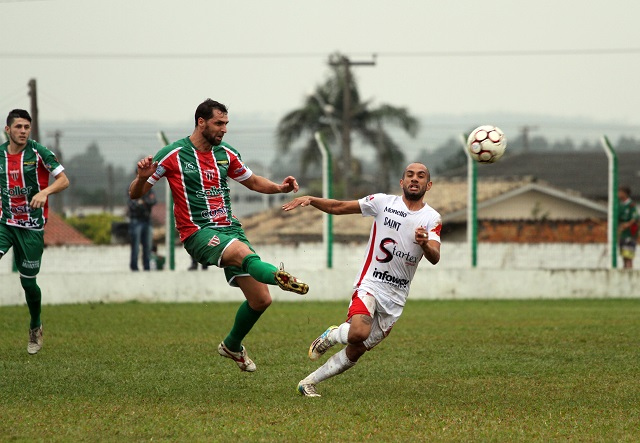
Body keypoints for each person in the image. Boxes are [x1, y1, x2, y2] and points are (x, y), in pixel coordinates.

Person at [129, 99, 309, 372]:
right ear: (201, 122)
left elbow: (252, 180)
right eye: (218, 123)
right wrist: (142, 178)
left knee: (261, 300)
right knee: (240, 253)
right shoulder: (173, 154)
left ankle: (231, 345)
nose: (224, 129)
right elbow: (135, 193)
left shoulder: (226, 154)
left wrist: (280, 188)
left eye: (226, 124)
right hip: (197, 232)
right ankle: (278, 276)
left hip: (230, 230)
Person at [282, 162, 441, 397]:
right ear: (401, 182)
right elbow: (339, 206)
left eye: (420, 176)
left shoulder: (432, 218)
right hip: (371, 284)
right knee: (357, 333)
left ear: (428, 185)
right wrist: (313, 200)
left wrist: (425, 243)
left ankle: (308, 382)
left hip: (396, 297)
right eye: (409, 175)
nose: (414, 179)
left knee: (356, 350)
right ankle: (333, 334)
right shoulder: (383, 202)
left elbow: (435, 256)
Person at [0, 109, 70, 354]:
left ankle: (35, 325)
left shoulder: (38, 152)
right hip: (4, 223)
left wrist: (44, 192)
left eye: (26, 127)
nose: (23, 131)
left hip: (31, 227)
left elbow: (63, 180)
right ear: (7, 130)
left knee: (28, 283)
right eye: (18, 127)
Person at [127, 186, 156, 271]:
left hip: (147, 220)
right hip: (136, 221)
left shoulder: (149, 189)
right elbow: (132, 204)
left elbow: (153, 201)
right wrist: (145, 203)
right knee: (135, 246)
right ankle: (134, 267)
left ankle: (147, 266)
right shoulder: (132, 188)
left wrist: (142, 202)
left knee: (148, 246)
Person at [617, 185, 639, 269]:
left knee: (629, 255)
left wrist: (627, 224)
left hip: (629, 234)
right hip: (622, 234)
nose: (618, 194)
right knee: (623, 255)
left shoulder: (631, 205)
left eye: (620, 192)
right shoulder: (619, 205)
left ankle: (629, 272)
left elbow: (635, 217)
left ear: (625, 194)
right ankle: (625, 271)